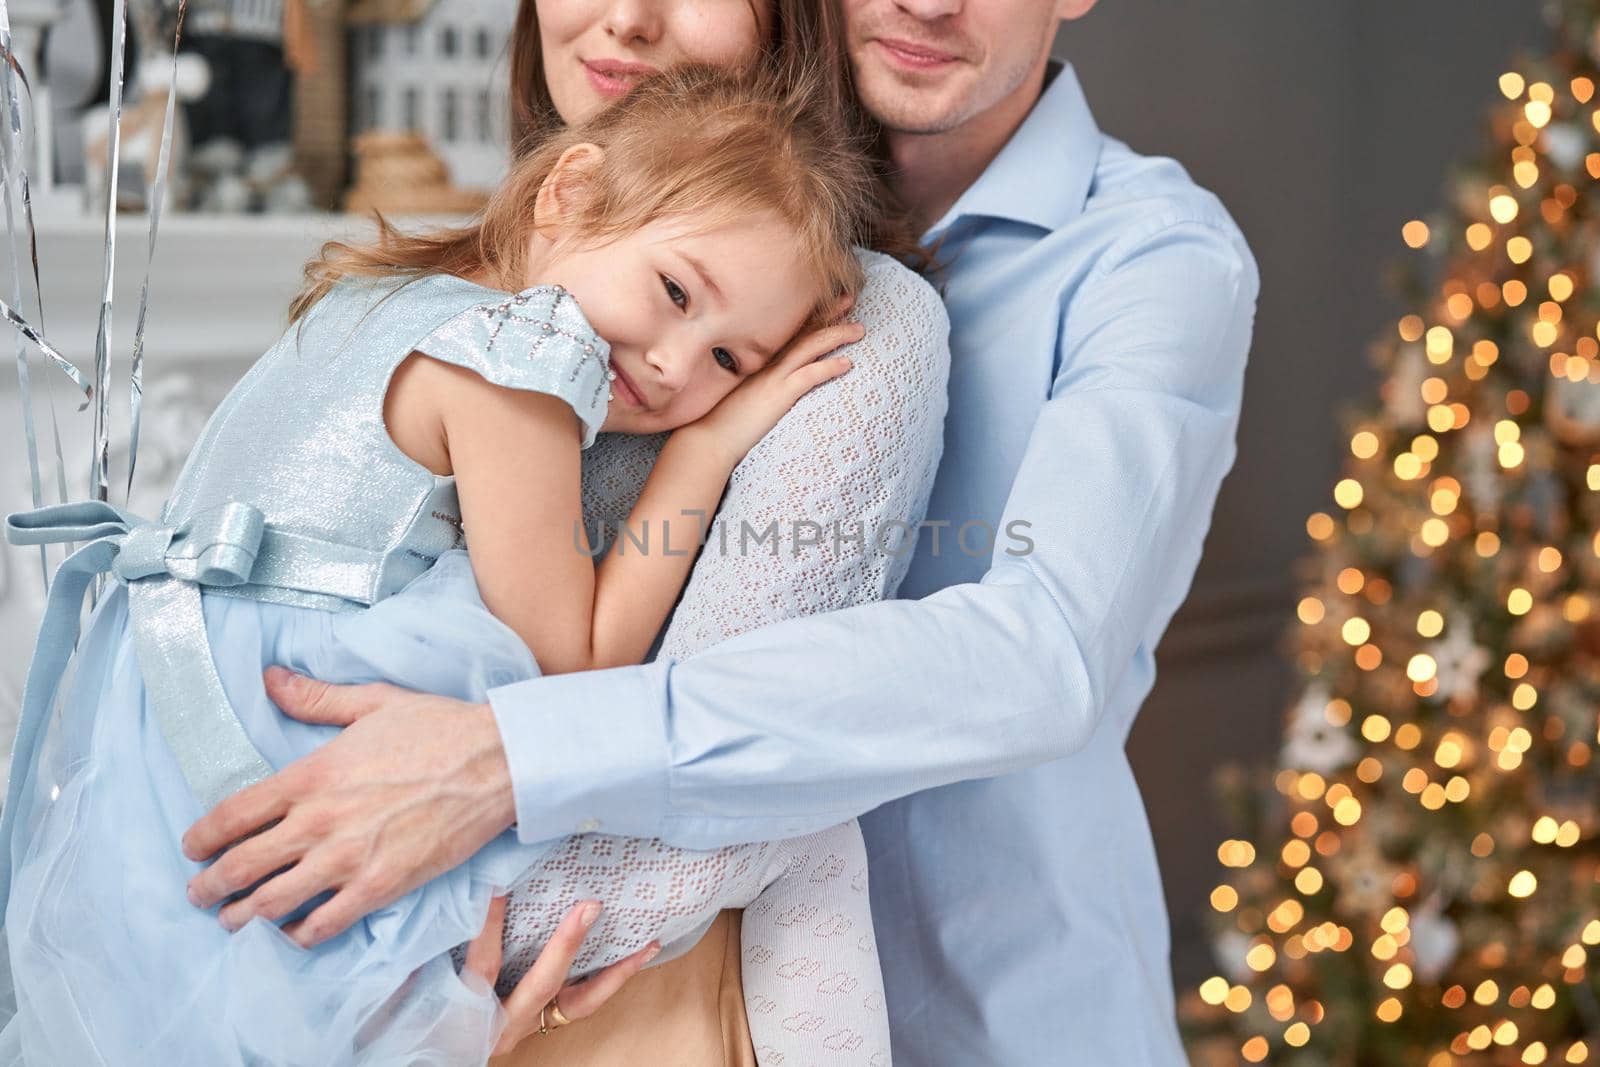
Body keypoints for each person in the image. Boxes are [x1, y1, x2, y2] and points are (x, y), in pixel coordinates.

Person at [183, 0, 1261, 1062]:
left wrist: (512, 762)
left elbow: (1043, 652)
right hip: (662, 979)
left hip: (985, 998)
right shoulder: (597, 283)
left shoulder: (1146, 262)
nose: (928, 2)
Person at [0, 65, 908, 1065]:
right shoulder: (515, 363)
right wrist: (705, 448)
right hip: (277, 730)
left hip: (156, 731)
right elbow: (574, 671)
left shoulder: (368, 299)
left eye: (732, 361)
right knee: (806, 828)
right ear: (569, 193)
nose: (674, 365)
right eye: (676, 291)